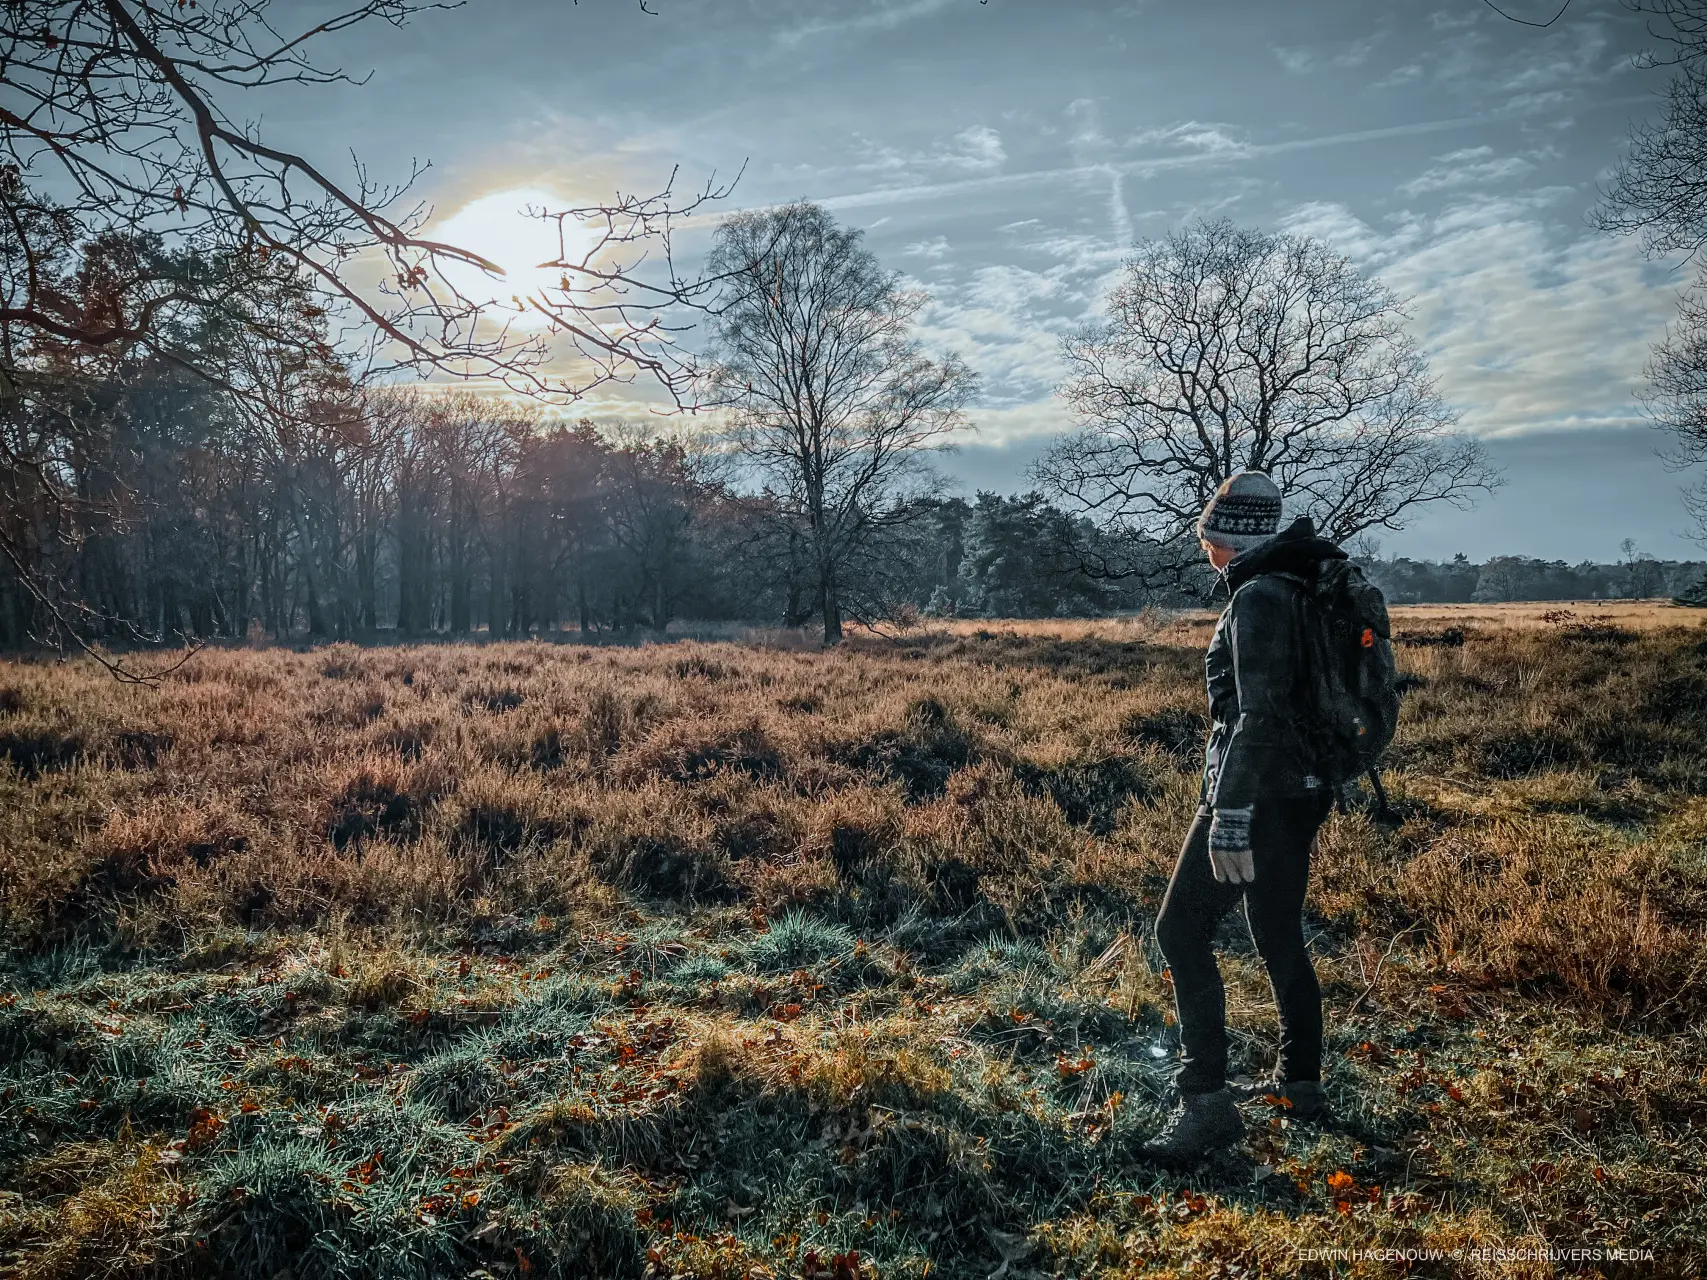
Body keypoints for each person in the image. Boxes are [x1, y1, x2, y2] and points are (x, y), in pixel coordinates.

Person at [1141, 469, 1347, 1164]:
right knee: (1277, 930)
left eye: (1208, 537)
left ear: (1226, 538)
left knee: (1179, 931)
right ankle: (1300, 1083)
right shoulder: (1297, 586)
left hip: (1254, 796)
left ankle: (1204, 1105)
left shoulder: (1258, 598)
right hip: (1300, 791)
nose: (1204, 549)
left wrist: (1228, 815)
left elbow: (1257, 719)